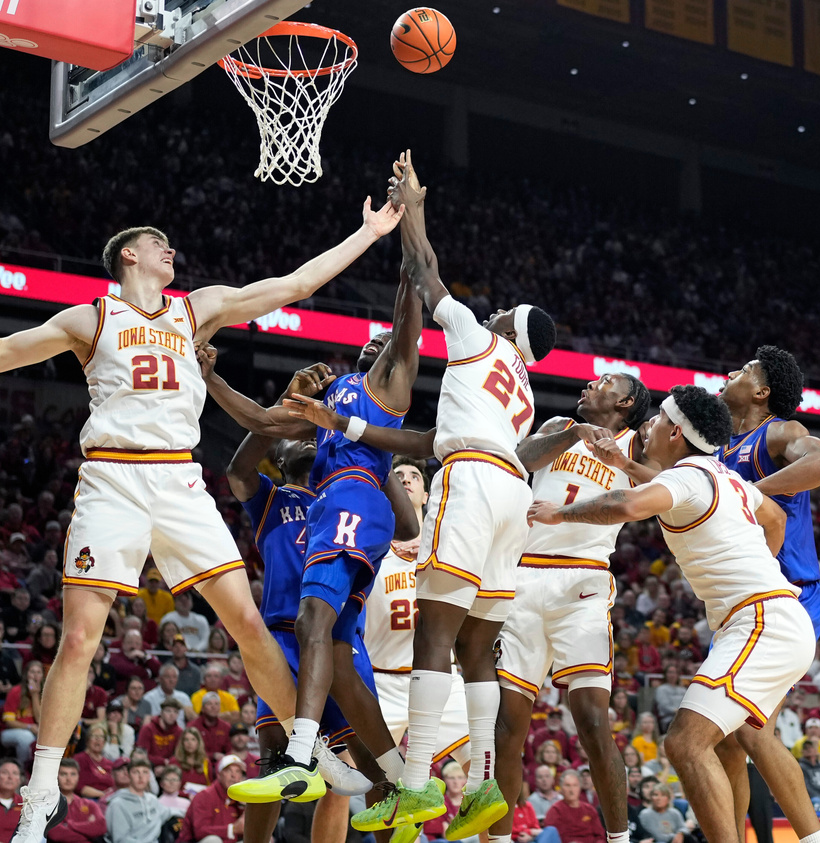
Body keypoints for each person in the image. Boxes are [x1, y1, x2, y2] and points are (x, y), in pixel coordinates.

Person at [0, 203, 404, 843]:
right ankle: (40, 795)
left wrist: (368, 233)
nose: (171, 252)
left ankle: (305, 748)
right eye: (160, 245)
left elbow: (292, 286)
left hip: (181, 479)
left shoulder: (196, 307)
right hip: (114, 478)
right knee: (80, 640)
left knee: (246, 621)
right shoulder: (89, 318)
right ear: (129, 254)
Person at [298, 151, 556, 838]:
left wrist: (412, 205)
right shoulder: (523, 394)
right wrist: (353, 424)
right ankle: (480, 786)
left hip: (471, 482)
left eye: (502, 311)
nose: (492, 309)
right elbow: (425, 441)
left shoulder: (475, 335)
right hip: (511, 493)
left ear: (508, 329)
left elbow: (424, 270)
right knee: (479, 649)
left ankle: (414, 784)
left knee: (436, 636)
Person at [199, 180, 424, 809]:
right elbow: (265, 426)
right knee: (340, 660)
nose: (377, 344)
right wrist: (210, 376)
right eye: (371, 342)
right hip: (335, 505)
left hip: (352, 499)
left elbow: (411, 303)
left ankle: (301, 759)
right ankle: (405, 786)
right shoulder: (335, 399)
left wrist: (408, 224)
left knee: (311, 621)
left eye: (389, 345)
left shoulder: (390, 389)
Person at [527, 386, 820, 843]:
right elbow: (776, 521)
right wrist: (624, 465)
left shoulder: (685, 478)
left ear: (677, 433)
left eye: (658, 419)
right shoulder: (724, 477)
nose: (649, 425)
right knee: (740, 741)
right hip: (770, 617)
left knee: (685, 743)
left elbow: (625, 504)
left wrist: (559, 515)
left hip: (762, 620)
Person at [208, 355, 419, 842]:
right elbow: (239, 467)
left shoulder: (351, 482)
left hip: (342, 642)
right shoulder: (271, 500)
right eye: (287, 442)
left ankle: (395, 821)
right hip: (283, 638)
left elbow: (408, 527)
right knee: (275, 755)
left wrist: (366, 444)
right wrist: (287, 405)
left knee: (366, 757)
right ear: (281, 457)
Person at [488, 369, 651, 843]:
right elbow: (519, 458)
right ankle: (499, 839)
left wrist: (622, 460)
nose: (590, 386)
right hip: (523, 576)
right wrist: (574, 433)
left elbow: (662, 487)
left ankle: (620, 838)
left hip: (583, 579)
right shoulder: (560, 425)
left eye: (604, 384)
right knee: (507, 727)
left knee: (593, 720)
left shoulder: (639, 445)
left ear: (626, 403)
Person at [714, 346, 820, 843]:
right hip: (743, 602)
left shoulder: (781, 431)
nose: (731, 372)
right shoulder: (722, 446)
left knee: (748, 730)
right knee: (722, 735)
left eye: (745, 370)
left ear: (763, 392)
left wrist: (754, 491)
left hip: (790, 598)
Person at [363, 457, 472, 766]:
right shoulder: (370, 548)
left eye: (414, 476)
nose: (407, 480)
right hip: (382, 678)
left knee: (481, 768)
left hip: (440, 674)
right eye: (398, 477)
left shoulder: (445, 544)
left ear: (426, 495)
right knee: (357, 781)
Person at [178, 755, 246, 843]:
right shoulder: (205, 796)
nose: (233, 775)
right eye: (228, 770)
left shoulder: (239, 800)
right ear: (219, 774)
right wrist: (231, 829)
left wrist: (244, 808)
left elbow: (244, 831)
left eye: (237, 771)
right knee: (213, 840)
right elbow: (200, 831)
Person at [105, 758, 174, 843]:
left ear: (149, 776)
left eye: (145, 772)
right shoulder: (117, 804)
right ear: (129, 775)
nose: (141, 777)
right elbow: (121, 839)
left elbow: (169, 812)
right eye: (136, 772)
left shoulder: (152, 800)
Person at [45, 760, 108, 843]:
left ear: (78, 777)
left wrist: (69, 825)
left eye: (73, 774)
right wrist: (88, 831)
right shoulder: (48, 805)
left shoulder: (90, 804)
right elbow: (56, 834)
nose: (68, 779)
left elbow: (101, 826)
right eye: (63, 774)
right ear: (56, 777)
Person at [0, 660, 43, 767]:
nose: (35, 676)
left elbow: (39, 720)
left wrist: (34, 696)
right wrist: (28, 727)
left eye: (38, 672)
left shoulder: (45, 694)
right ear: (26, 674)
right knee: (26, 737)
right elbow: (9, 722)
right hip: (11, 732)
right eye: (32, 672)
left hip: (37, 732)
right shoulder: (15, 691)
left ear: (43, 676)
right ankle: (23, 768)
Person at [544, 771, 605, 843]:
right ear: (560, 788)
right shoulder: (555, 810)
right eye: (567, 785)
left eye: (575, 785)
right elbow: (551, 838)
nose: (571, 790)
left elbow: (600, 836)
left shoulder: (589, 809)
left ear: (580, 787)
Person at [136, 698, 183, 772]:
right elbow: (141, 755)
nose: (172, 715)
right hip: (148, 767)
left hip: (170, 769)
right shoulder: (148, 729)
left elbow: (179, 756)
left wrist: (166, 767)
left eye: (175, 712)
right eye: (168, 711)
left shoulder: (179, 732)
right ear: (161, 712)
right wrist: (163, 761)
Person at [0, 760, 24, 843]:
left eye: (15, 773)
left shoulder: (24, 803)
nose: (10, 777)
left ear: (19, 780)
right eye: (5, 772)